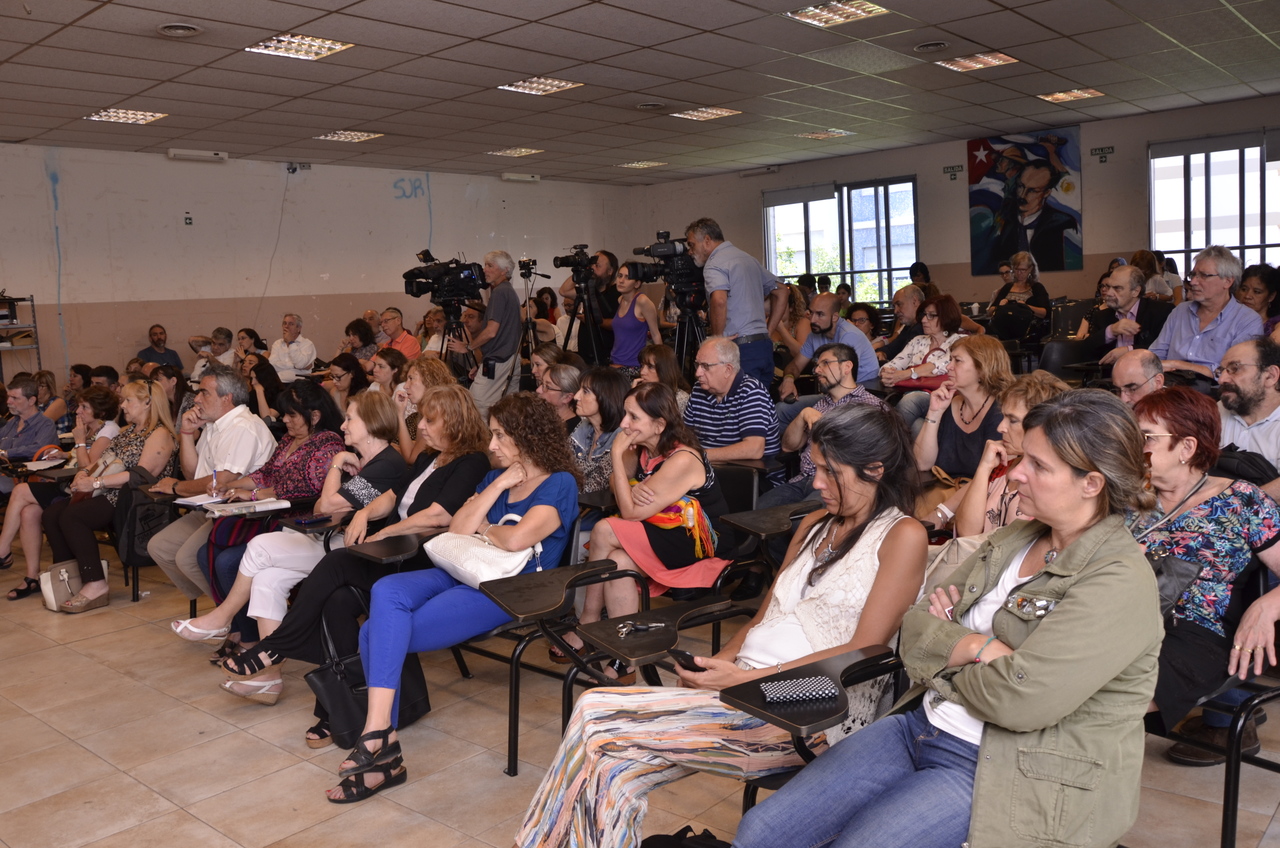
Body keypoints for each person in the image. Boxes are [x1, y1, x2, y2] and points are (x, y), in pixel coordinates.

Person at [738, 390, 1162, 848]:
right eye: (1023, 458)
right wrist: (978, 648)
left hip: (1004, 762)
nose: (1015, 473)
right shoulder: (1017, 537)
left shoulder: (1118, 580)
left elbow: (1021, 701)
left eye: (1038, 466)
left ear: (1091, 484)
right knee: (760, 831)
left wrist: (949, 646)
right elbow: (915, 628)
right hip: (920, 724)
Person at [517, 402, 927, 848]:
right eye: (817, 469)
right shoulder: (814, 524)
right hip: (742, 687)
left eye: (831, 472)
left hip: (805, 714)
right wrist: (719, 664)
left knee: (597, 715)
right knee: (613, 766)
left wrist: (749, 680)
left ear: (875, 469)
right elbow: (763, 617)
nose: (816, 482)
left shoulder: (903, 535)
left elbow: (865, 649)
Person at [322, 392, 579, 802]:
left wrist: (486, 526)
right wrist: (499, 487)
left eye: (500, 435)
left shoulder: (559, 483)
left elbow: (517, 539)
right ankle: (380, 734)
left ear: (527, 436)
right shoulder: (495, 478)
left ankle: (382, 748)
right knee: (386, 589)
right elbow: (458, 529)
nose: (491, 444)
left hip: (507, 588)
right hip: (464, 569)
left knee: (373, 632)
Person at [220, 385, 489, 742]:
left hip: (417, 559)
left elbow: (439, 515)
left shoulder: (458, 461)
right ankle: (335, 710)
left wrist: (384, 527)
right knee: (336, 602)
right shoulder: (425, 458)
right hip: (388, 550)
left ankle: (276, 646)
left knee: (334, 563)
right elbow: (385, 498)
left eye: (429, 419)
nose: (420, 426)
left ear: (453, 422)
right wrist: (362, 510)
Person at [181, 391, 407, 704]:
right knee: (267, 579)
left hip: (357, 553)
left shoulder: (386, 465)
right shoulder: (369, 461)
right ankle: (268, 679)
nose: (343, 425)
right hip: (336, 540)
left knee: (260, 547)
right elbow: (329, 508)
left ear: (370, 423)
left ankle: (223, 618)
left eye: (350, 418)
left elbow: (324, 507)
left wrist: (336, 463)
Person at [1130, 387, 1280, 761]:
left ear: (1186, 447)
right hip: (1122, 615)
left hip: (1195, 630)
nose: (1134, 447)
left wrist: (1265, 607)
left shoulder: (1242, 499)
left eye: (1147, 438)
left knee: (1110, 694)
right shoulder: (1128, 497)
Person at [559, 382, 746, 679]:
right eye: (625, 414)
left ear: (659, 425)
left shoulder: (682, 458)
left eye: (633, 417)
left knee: (605, 529)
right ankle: (625, 656)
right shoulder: (643, 449)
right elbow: (617, 486)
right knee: (618, 562)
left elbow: (630, 512)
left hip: (699, 542)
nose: (623, 424)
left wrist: (616, 458)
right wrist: (630, 486)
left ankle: (588, 621)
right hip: (662, 532)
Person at [175, 382, 345, 655]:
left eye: (292, 415)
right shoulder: (289, 440)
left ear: (314, 416)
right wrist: (230, 486)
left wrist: (253, 495)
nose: (284, 420)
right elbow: (265, 474)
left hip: (297, 524)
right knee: (204, 555)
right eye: (284, 414)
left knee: (228, 562)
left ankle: (247, 635)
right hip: (269, 517)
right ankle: (239, 629)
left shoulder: (328, 444)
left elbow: (304, 489)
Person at [39, 381, 178, 611]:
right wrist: (84, 473)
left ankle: (96, 583)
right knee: (51, 514)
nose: (122, 405)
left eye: (128, 400)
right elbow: (102, 461)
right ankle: (69, 578)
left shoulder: (160, 434)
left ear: (148, 403)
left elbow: (141, 476)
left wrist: (95, 482)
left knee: (73, 516)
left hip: (135, 498)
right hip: (109, 491)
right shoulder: (127, 432)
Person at [147, 365, 277, 602]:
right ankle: (224, 605)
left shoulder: (243, 427)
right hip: (211, 507)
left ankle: (233, 613)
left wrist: (175, 487)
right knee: (160, 547)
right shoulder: (213, 425)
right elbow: (193, 476)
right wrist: (187, 433)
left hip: (240, 512)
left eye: (204, 392)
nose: (196, 399)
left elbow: (221, 481)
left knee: (187, 558)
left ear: (227, 398)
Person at [3, 386, 120, 600]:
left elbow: (88, 467)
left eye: (85, 407)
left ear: (101, 412)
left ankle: (3, 550)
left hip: (85, 490)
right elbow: (79, 456)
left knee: (20, 490)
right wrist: (64, 453)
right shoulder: (92, 428)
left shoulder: (108, 432)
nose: (78, 411)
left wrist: (80, 440)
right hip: (70, 484)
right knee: (28, 512)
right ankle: (31, 577)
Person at [943, 371, 1070, 536]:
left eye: (1013, 420)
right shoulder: (1000, 467)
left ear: (1044, 425)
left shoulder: (1053, 482)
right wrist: (983, 468)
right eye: (1003, 417)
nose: (1000, 428)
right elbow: (966, 532)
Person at [763, 342, 888, 510]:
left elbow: (878, 458)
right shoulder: (819, 405)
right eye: (817, 365)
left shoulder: (872, 407)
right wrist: (802, 415)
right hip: (802, 481)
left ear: (847, 367)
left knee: (801, 519)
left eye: (825, 363)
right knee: (756, 512)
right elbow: (787, 446)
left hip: (836, 484)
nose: (816, 370)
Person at [686, 217, 789, 389]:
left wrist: (716, 342)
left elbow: (719, 300)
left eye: (691, 245)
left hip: (739, 350)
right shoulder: (748, 258)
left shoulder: (714, 263)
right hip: (763, 346)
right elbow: (782, 291)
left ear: (707, 240)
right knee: (758, 402)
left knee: (736, 404)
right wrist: (768, 330)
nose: (690, 251)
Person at [1149, 245, 1262, 378]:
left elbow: (1236, 372)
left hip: (1216, 388)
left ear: (1227, 281)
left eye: (1204, 276)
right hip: (1169, 384)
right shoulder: (1180, 311)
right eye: (1193, 275)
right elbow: (1156, 354)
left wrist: (1178, 364)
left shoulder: (1247, 320)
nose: (1193, 282)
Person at [777, 292, 879, 432]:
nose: (813, 320)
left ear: (835, 317)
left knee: (822, 422)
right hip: (831, 395)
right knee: (781, 410)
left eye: (820, 314)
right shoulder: (814, 335)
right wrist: (788, 380)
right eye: (811, 313)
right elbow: (796, 365)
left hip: (859, 398)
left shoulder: (849, 335)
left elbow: (841, 378)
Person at [682, 337, 782, 479]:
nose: (698, 373)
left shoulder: (751, 391)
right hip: (704, 471)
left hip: (748, 478)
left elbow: (754, 449)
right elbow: (684, 435)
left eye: (705, 366)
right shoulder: (699, 389)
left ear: (728, 370)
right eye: (697, 365)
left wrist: (700, 455)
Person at [915, 335, 1013, 479]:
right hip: (943, 486)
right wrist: (934, 413)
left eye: (957, 360)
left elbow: (994, 479)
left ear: (982, 369)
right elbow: (922, 464)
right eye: (950, 360)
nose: (948, 366)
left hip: (979, 491)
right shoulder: (950, 404)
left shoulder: (1001, 413)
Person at [450, 250, 523, 417]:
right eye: (485, 265)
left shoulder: (500, 292)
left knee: (475, 408)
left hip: (499, 361)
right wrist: (482, 363)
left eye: (490, 265)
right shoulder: (508, 291)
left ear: (504, 270)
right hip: (509, 359)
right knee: (508, 411)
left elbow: (491, 332)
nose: (485, 270)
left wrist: (468, 347)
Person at [994, 158, 1079, 272]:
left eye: (1032, 190)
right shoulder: (1005, 220)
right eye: (1020, 186)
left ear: (1047, 193)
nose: (1022, 195)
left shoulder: (1062, 224)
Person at [1216, 337, 1280, 487]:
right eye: (1221, 371)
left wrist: (1239, 500)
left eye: (1235, 368)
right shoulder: (1218, 410)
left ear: (1270, 376)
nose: (1221, 379)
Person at [1078, 263, 1172, 364]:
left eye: (1117, 288)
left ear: (1135, 291)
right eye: (1108, 287)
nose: (1109, 293)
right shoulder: (1102, 316)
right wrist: (1111, 331)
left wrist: (1129, 351)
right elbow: (1086, 352)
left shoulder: (1160, 312)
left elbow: (1166, 348)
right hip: (1111, 373)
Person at [879, 294, 964, 389]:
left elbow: (942, 365)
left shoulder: (960, 341)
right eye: (924, 315)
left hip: (943, 393)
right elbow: (895, 363)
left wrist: (905, 374)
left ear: (947, 317)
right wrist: (887, 373)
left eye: (931, 315)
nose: (923, 320)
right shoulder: (918, 340)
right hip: (910, 391)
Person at [570, 367, 630, 494]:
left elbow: (595, 486)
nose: (576, 396)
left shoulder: (622, 436)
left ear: (606, 397)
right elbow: (559, 466)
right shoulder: (583, 427)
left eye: (585, 391)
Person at [558, 250, 620, 366]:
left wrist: (591, 320)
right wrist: (580, 270)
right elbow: (563, 291)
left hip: (605, 353)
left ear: (610, 271)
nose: (593, 269)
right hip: (585, 354)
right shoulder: (588, 289)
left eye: (597, 266)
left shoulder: (617, 293)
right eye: (592, 265)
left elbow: (618, 324)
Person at [0, 377, 57, 497]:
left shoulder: (46, 424)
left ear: (31, 400)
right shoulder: (12, 423)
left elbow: (39, 449)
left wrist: (6, 453)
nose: (8, 401)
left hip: (27, 478)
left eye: (14, 398)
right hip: (6, 475)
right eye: (9, 397)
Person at [394, 356, 455, 463]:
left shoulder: (439, 413)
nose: (405, 386)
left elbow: (411, 458)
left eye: (411, 379)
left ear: (429, 380)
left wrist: (399, 414)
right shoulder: (425, 411)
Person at [609, 262, 662, 376]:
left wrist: (661, 367)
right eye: (620, 276)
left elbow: (655, 334)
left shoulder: (642, 301)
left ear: (637, 283)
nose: (621, 280)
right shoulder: (620, 300)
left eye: (627, 277)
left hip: (634, 366)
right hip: (614, 362)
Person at [986, 250, 1050, 321]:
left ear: (1030, 269)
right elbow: (990, 312)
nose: (1019, 273)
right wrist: (999, 307)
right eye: (1016, 269)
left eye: (1023, 270)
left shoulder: (1037, 287)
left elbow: (1046, 313)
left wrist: (1026, 307)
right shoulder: (1007, 287)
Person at [633, 343, 691, 414]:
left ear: (664, 370)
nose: (642, 372)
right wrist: (633, 395)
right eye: (642, 366)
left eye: (650, 367)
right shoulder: (639, 391)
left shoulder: (680, 399)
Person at [873, 284, 924, 362]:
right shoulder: (909, 327)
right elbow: (893, 347)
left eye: (899, 304)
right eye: (894, 306)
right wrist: (882, 353)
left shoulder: (924, 327)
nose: (895, 311)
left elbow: (905, 358)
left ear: (914, 301)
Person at [268, 313, 317, 383]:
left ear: (299, 328)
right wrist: (294, 366)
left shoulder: (307, 344)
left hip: (298, 383)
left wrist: (291, 343)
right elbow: (272, 365)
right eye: (284, 323)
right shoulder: (277, 343)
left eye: (291, 324)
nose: (286, 326)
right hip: (277, 382)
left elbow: (300, 364)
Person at [771, 283, 811, 362]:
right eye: (773, 305)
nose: (776, 309)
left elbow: (803, 356)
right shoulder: (766, 325)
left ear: (791, 307)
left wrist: (781, 329)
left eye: (781, 305)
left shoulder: (802, 323)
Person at [536, 363, 581, 433]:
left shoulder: (574, 431)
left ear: (567, 397)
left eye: (547, 387)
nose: (538, 390)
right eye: (541, 383)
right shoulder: (541, 419)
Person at [1238, 262, 1280, 334]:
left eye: (1257, 292)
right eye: (1244, 289)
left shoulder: (1275, 327)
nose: (1247, 296)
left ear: (1271, 296)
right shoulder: (1228, 318)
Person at [247, 355, 285, 422]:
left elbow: (267, 418)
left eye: (256, 378)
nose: (252, 382)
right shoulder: (252, 394)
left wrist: (259, 391)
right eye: (251, 378)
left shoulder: (281, 396)